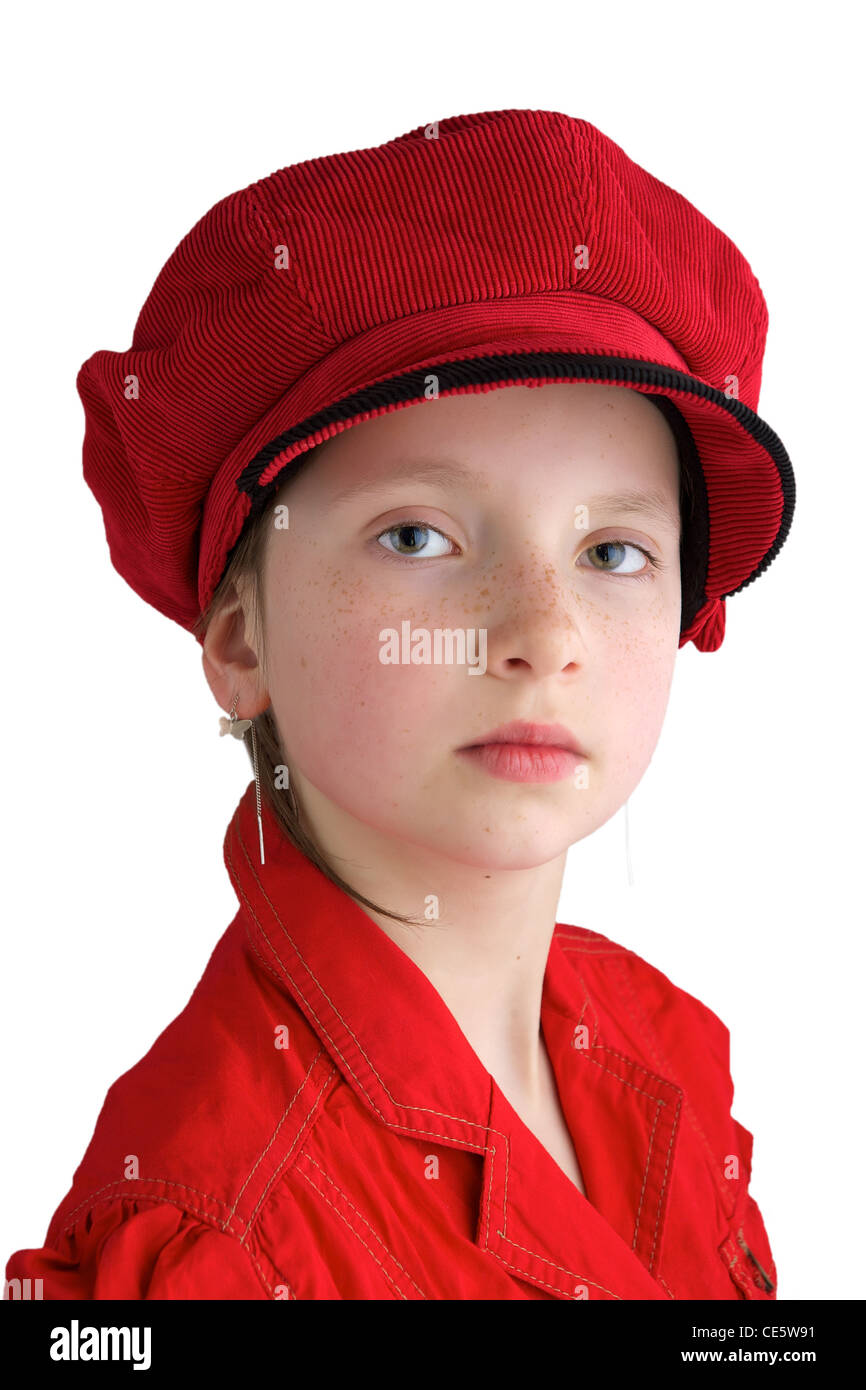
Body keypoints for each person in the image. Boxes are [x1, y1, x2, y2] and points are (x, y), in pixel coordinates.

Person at [4, 108, 792, 1300]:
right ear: (239, 638)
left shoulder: (658, 1056)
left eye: (614, 551)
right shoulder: (213, 1236)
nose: (541, 635)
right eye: (417, 534)